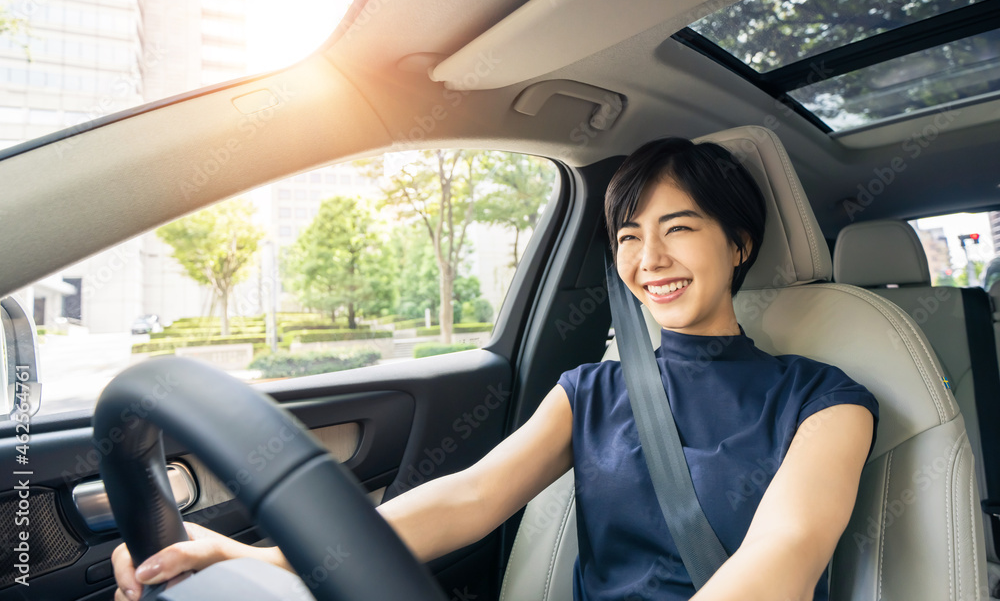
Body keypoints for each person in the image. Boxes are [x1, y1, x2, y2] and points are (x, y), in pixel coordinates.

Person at [112, 137, 878, 601]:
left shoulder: (825, 399)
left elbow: (784, 563)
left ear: (739, 243)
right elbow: (469, 498)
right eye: (629, 236)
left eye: (680, 228)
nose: (651, 260)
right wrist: (267, 557)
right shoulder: (593, 390)